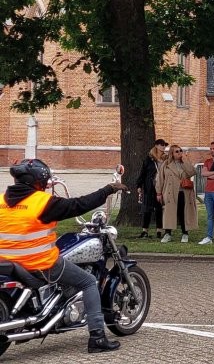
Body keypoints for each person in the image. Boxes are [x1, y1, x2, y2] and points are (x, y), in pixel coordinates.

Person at [0, 159, 126, 352]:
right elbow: (79, 204)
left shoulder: (1, 201)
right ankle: (97, 338)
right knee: (88, 282)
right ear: (38, 181)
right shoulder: (42, 203)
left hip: (7, 263)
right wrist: (108, 189)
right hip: (40, 265)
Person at [156, 145, 198, 242]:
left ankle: (185, 233)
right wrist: (158, 193)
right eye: (177, 151)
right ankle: (168, 233)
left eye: (180, 151)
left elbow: (192, 172)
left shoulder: (184, 163)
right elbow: (160, 179)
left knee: (183, 213)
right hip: (170, 192)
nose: (179, 153)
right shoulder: (166, 164)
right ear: (172, 153)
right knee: (169, 213)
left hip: (184, 192)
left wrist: (185, 160)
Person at [136, 138, 168, 239]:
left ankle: (159, 230)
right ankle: (145, 230)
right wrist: (139, 185)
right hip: (149, 186)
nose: (163, 147)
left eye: (165, 145)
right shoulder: (149, 159)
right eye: (162, 145)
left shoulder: (166, 159)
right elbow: (143, 173)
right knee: (147, 209)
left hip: (162, 187)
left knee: (159, 209)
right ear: (156, 146)